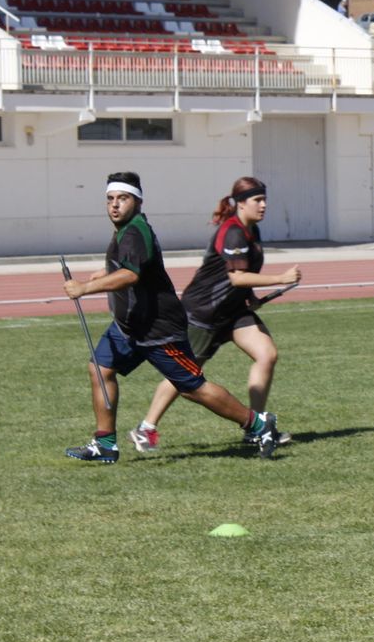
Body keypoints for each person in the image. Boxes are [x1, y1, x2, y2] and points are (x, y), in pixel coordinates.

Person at [62, 172, 281, 463]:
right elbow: (135, 266)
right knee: (100, 370)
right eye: (110, 199)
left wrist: (85, 288)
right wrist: (107, 271)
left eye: (122, 199)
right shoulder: (126, 230)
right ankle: (105, 444)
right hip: (128, 326)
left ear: (137, 201)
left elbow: (130, 274)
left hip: (157, 329)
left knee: (193, 389)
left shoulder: (135, 232)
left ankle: (257, 424)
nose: (114, 205)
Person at [128, 177, 301, 453]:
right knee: (185, 376)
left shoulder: (251, 231)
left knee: (266, 354)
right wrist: (280, 278)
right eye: (258, 200)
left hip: (234, 313)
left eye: (264, 199)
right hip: (203, 314)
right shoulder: (232, 232)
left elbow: (241, 278)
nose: (264, 205)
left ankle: (257, 429)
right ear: (241, 203)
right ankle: (145, 428)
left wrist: (251, 298)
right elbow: (236, 277)